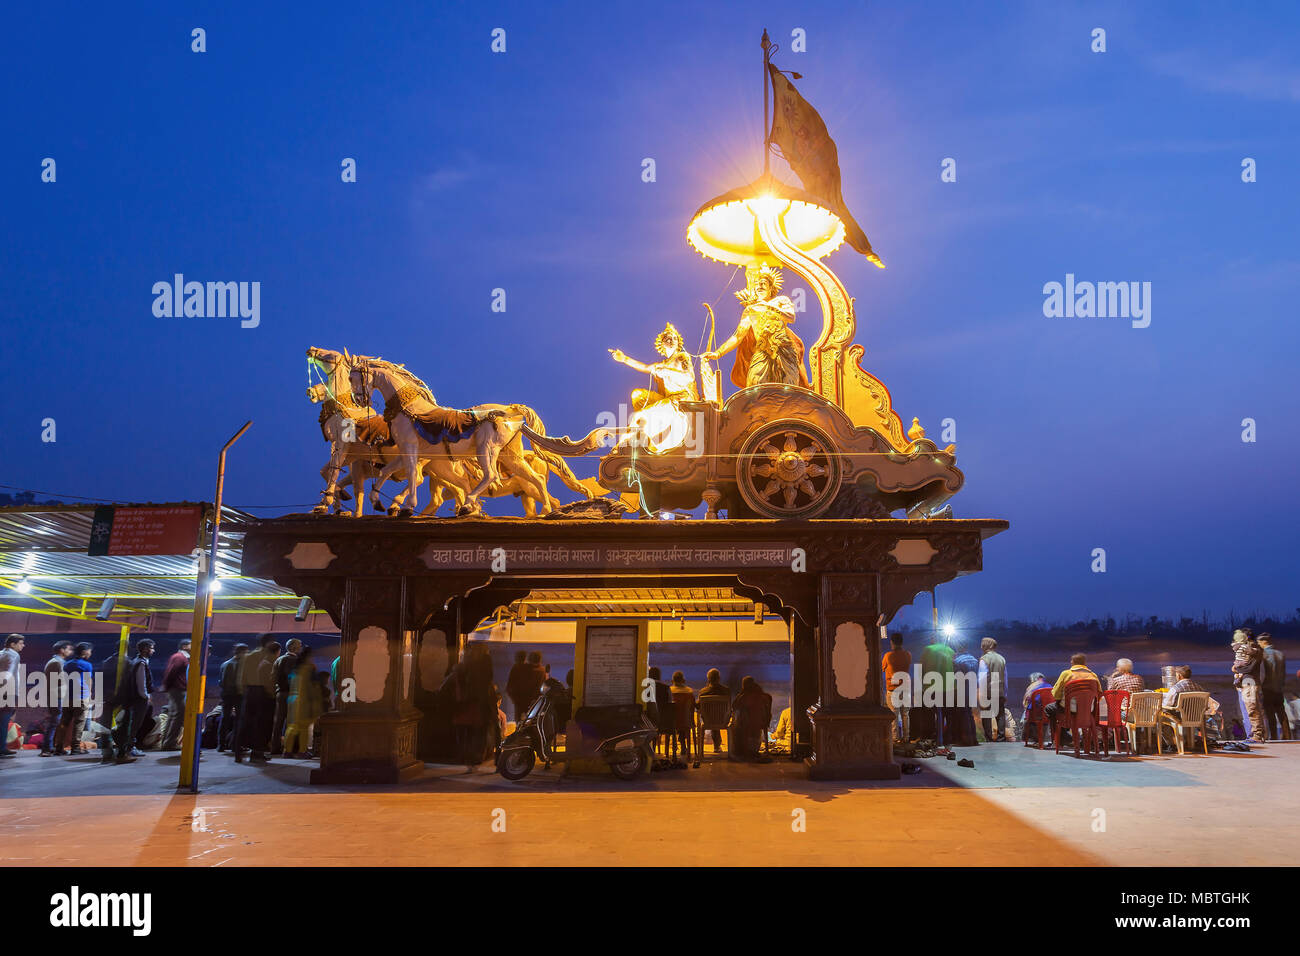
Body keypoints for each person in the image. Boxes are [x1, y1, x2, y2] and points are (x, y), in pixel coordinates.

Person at [703, 265, 810, 388]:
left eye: (763, 283)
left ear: (771, 288)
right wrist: (718, 353)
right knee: (754, 386)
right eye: (757, 284)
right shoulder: (750, 310)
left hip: (784, 352)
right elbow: (738, 336)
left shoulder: (781, 301)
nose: (759, 286)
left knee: (789, 388)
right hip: (762, 352)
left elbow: (791, 317)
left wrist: (768, 307)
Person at [441, 645, 495, 772]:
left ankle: (464, 758)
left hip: (462, 707)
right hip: (476, 707)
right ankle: (472, 760)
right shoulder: (483, 673)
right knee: (475, 734)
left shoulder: (460, 669)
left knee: (463, 733)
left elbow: (444, 688)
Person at [235, 634, 279, 763]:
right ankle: (257, 753)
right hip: (263, 693)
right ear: (269, 642)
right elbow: (270, 678)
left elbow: (241, 677)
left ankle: (238, 753)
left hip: (249, 691)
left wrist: (243, 691)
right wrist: (271, 693)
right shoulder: (268, 657)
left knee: (245, 724)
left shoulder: (248, 656)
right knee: (262, 725)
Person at [111, 639, 156, 764]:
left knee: (132, 724)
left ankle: (129, 747)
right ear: (145, 649)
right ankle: (127, 749)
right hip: (138, 700)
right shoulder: (140, 663)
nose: (153, 650)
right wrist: (146, 696)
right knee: (134, 725)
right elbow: (140, 683)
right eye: (151, 648)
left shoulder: (136, 661)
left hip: (133, 699)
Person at [1044, 653, 1101, 741]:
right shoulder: (1093, 675)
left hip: (1069, 709)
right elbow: (1099, 694)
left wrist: (1060, 699)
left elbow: (1056, 694)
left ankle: (1060, 738)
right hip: (1088, 710)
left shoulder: (1066, 674)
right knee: (1058, 708)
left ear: (1072, 662)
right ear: (1084, 663)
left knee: (1049, 708)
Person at [54, 643, 95, 754]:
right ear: (85, 651)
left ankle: (58, 747)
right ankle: (75, 748)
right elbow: (88, 680)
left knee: (64, 723)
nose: (90, 653)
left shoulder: (67, 664)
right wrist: (90, 694)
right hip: (81, 696)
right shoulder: (87, 665)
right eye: (90, 651)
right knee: (79, 723)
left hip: (68, 697)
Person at [283, 648, 323, 757]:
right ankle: (302, 751)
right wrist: (317, 703)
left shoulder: (295, 669)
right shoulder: (310, 669)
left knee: (292, 726)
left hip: (293, 701)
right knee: (304, 728)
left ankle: (287, 750)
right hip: (305, 701)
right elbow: (314, 688)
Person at [1230, 628, 1265, 742]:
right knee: (1249, 710)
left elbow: (1250, 668)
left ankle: (1257, 735)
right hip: (1245, 682)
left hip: (1249, 682)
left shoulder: (1254, 650)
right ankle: (1254, 734)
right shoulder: (1246, 651)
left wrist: (1237, 669)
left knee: (1252, 709)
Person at [917, 635, 955, 742]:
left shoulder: (928, 649)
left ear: (932, 640)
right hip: (948, 687)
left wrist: (921, 684)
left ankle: (931, 737)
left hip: (931, 687)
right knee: (947, 714)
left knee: (930, 714)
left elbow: (920, 668)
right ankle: (947, 737)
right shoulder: (950, 650)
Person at [39, 640, 74, 756]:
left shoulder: (56, 661)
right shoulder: (57, 663)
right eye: (68, 649)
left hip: (56, 695)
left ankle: (49, 747)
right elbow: (59, 680)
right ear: (62, 650)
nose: (70, 651)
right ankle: (46, 749)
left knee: (55, 722)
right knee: (54, 722)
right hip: (57, 695)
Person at [270, 638, 303, 755]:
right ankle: (288, 749)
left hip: (279, 693)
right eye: (299, 645)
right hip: (290, 694)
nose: (301, 647)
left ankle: (274, 747)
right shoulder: (293, 660)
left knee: (278, 721)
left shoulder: (279, 659)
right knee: (291, 722)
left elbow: (273, 678)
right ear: (293, 647)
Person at [729, 676, 772, 761]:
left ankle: (741, 750)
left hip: (748, 723)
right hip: (762, 722)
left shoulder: (744, 697)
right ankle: (752, 749)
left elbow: (734, 706)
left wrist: (741, 693)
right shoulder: (765, 696)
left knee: (735, 725)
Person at [159, 638, 192, 750]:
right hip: (177, 690)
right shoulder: (179, 658)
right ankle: (170, 743)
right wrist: (166, 686)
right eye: (191, 644)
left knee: (173, 716)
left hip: (175, 689)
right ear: (184, 646)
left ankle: (166, 742)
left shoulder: (181, 657)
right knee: (178, 716)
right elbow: (171, 672)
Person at [1257, 634, 1290, 740]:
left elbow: (1262, 673)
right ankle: (1287, 735)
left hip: (1267, 689)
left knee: (1270, 714)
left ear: (1263, 642)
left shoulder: (1263, 655)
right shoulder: (1280, 654)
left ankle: (1274, 736)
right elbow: (1284, 673)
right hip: (1279, 688)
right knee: (1282, 713)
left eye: (1259, 642)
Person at [950, 638, 981, 746]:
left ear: (959, 647)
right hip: (973, 689)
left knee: (964, 714)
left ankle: (966, 739)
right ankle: (974, 738)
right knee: (970, 713)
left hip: (963, 690)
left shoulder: (957, 661)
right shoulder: (974, 659)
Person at [882, 633, 912, 743]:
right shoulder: (908, 655)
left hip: (893, 689)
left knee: (894, 715)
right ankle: (906, 737)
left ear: (892, 642)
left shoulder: (888, 656)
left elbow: (883, 668)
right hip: (906, 688)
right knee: (905, 714)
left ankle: (895, 739)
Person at [978, 637, 1008, 743]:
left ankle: (989, 739)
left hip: (988, 691)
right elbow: (1005, 677)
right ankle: (1001, 738)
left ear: (985, 645)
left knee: (986, 716)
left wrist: (981, 693)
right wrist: (1005, 693)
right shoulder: (1001, 658)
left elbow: (982, 677)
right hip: (999, 691)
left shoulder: (984, 659)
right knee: (1000, 715)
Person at [0, 634, 25, 761]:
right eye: (20, 643)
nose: (23, 645)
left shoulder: (0, 653)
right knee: (4, 721)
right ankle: (1, 748)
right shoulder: (14, 655)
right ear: (12, 644)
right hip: (8, 690)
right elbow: (9, 673)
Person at [218, 643, 247, 751]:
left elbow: (221, 681)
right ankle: (235, 745)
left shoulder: (225, 664)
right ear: (241, 652)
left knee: (224, 719)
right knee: (238, 720)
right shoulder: (236, 664)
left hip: (226, 695)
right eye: (245, 652)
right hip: (236, 695)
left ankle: (221, 745)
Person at [698, 669, 731, 753]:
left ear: (708, 679)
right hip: (723, 720)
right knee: (717, 715)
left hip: (708, 720)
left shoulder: (703, 692)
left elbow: (698, 706)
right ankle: (718, 746)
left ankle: (716, 745)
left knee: (711, 716)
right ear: (719, 678)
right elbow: (730, 706)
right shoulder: (726, 690)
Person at [669, 671, 696, 764]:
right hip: (686, 721)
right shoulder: (689, 691)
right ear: (683, 680)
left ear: (672, 680)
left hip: (672, 723)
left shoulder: (670, 691)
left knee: (677, 718)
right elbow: (693, 707)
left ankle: (681, 745)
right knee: (683, 718)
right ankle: (683, 745)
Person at [1021, 672, 1051, 743]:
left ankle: (1025, 738)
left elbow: (1025, 704)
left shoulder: (1031, 687)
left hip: (1034, 715)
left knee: (1025, 714)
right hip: (1048, 714)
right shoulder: (1049, 686)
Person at [505, 650, 534, 721]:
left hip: (518, 699)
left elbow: (510, 686)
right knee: (529, 718)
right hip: (528, 698)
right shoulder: (529, 668)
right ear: (525, 658)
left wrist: (513, 698)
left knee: (518, 719)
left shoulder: (515, 668)